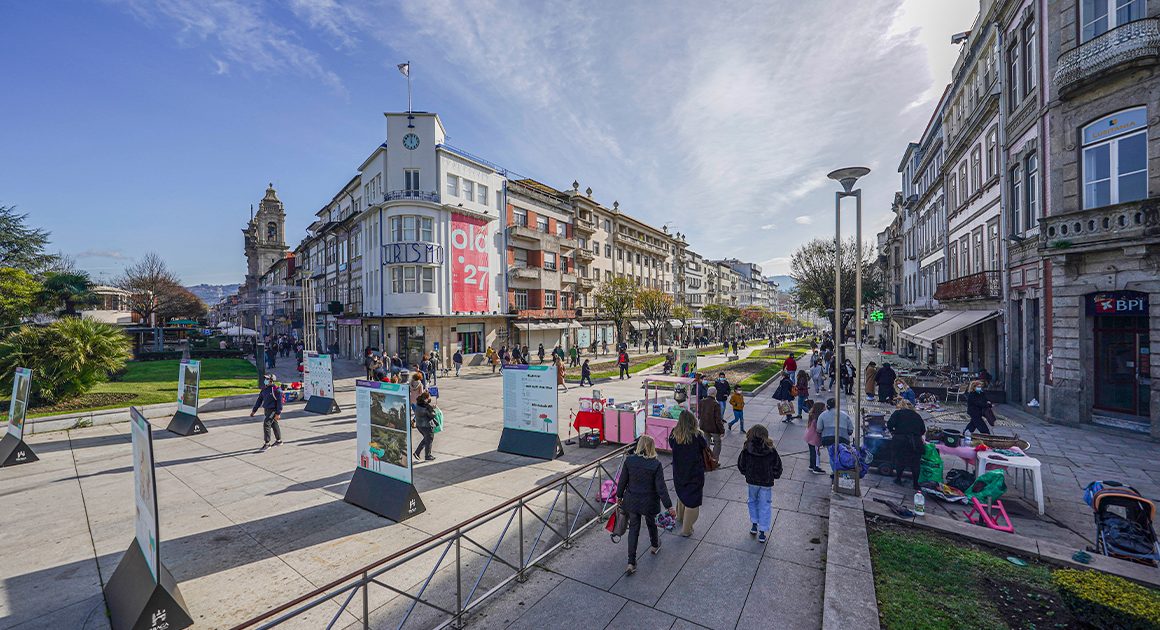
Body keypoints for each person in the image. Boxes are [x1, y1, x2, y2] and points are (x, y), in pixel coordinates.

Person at [616, 435, 673, 575]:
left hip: (632, 501)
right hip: (649, 502)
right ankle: (654, 545)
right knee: (651, 523)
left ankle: (631, 562)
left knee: (634, 529)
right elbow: (661, 488)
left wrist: (619, 496)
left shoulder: (630, 461)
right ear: (652, 447)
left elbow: (622, 480)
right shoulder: (655, 464)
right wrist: (669, 506)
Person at [737, 424, 782, 544]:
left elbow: (741, 464)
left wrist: (746, 473)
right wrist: (774, 475)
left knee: (752, 501)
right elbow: (777, 466)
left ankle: (754, 524)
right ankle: (762, 531)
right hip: (766, 482)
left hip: (752, 481)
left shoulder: (747, 448)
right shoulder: (771, 449)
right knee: (765, 505)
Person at [668, 410, 707, 537]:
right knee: (693, 501)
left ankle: (680, 517)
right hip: (694, 472)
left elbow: (671, 445)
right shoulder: (697, 435)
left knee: (681, 493)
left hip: (679, 471)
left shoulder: (674, 433)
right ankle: (686, 529)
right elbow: (705, 446)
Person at [887, 405, 925, 489]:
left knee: (900, 460)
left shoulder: (897, 413)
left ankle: (898, 479)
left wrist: (893, 432)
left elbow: (889, 424)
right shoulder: (917, 415)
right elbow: (923, 430)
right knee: (915, 463)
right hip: (915, 442)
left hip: (900, 441)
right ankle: (915, 484)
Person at [249, 375, 284, 451]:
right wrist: (254, 411)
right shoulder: (264, 389)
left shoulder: (276, 390)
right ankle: (279, 441)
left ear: (271, 380)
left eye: (267, 379)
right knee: (274, 424)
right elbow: (259, 400)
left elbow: (280, 403)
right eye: (265, 379)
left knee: (266, 424)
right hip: (267, 410)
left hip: (273, 410)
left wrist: (278, 413)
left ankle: (267, 444)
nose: (265, 380)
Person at [699, 386, 725, 461]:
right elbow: (718, 420)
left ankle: (706, 459)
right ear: (715, 393)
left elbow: (700, 414)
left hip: (704, 426)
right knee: (717, 443)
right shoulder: (716, 404)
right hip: (714, 428)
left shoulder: (702, 401)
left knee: (706, 443)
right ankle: (714, 460)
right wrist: (722, 430)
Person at [412, 392, 438, 461]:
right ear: (426, 398)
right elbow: (432, 415)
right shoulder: (426, 407)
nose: (430, 399)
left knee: (426, 439)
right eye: (429, 397)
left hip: (419, 425)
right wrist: (433, 409)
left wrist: (430, 407)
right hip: (426, 426)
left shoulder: (419, 404)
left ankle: (417, 453)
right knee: (429, 439)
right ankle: (427, 456)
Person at [804, 401, 826, 474]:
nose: (825, 409)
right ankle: (815, 467)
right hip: (814, 437)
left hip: (809, 436)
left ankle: (811, 465)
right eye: (824, 408)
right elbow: (819, 429)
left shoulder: (812, 415)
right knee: (815, 453)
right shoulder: (818, 418)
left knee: (812, 452)